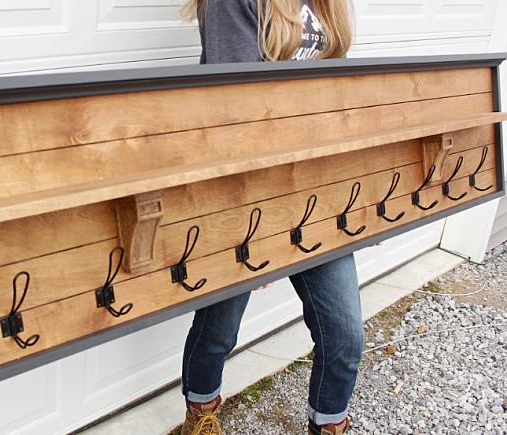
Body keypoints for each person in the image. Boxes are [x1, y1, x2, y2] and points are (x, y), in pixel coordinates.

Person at [179, 1, 364, 434]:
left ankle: (329, 424)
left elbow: (333, 102)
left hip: (314, 191)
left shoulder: (327, 4)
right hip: (246, 194)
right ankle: (200, 415)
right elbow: (233, 112)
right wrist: (254, 227)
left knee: (345, 334)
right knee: (218, 331)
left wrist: (354, 199)